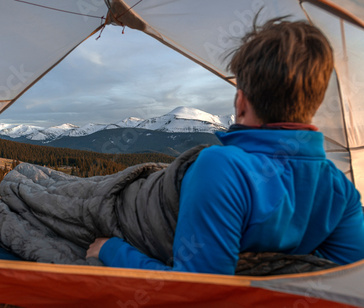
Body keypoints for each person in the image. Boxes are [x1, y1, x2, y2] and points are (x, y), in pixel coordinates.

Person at [86, 17, 364, 275]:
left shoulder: (221, 167)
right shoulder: (341, 191)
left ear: (241, 103)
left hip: (132, 207)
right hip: (150, 191)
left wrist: (112, 251)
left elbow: (197, 293)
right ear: (314, 103)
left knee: (63, 196)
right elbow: (344, 281)